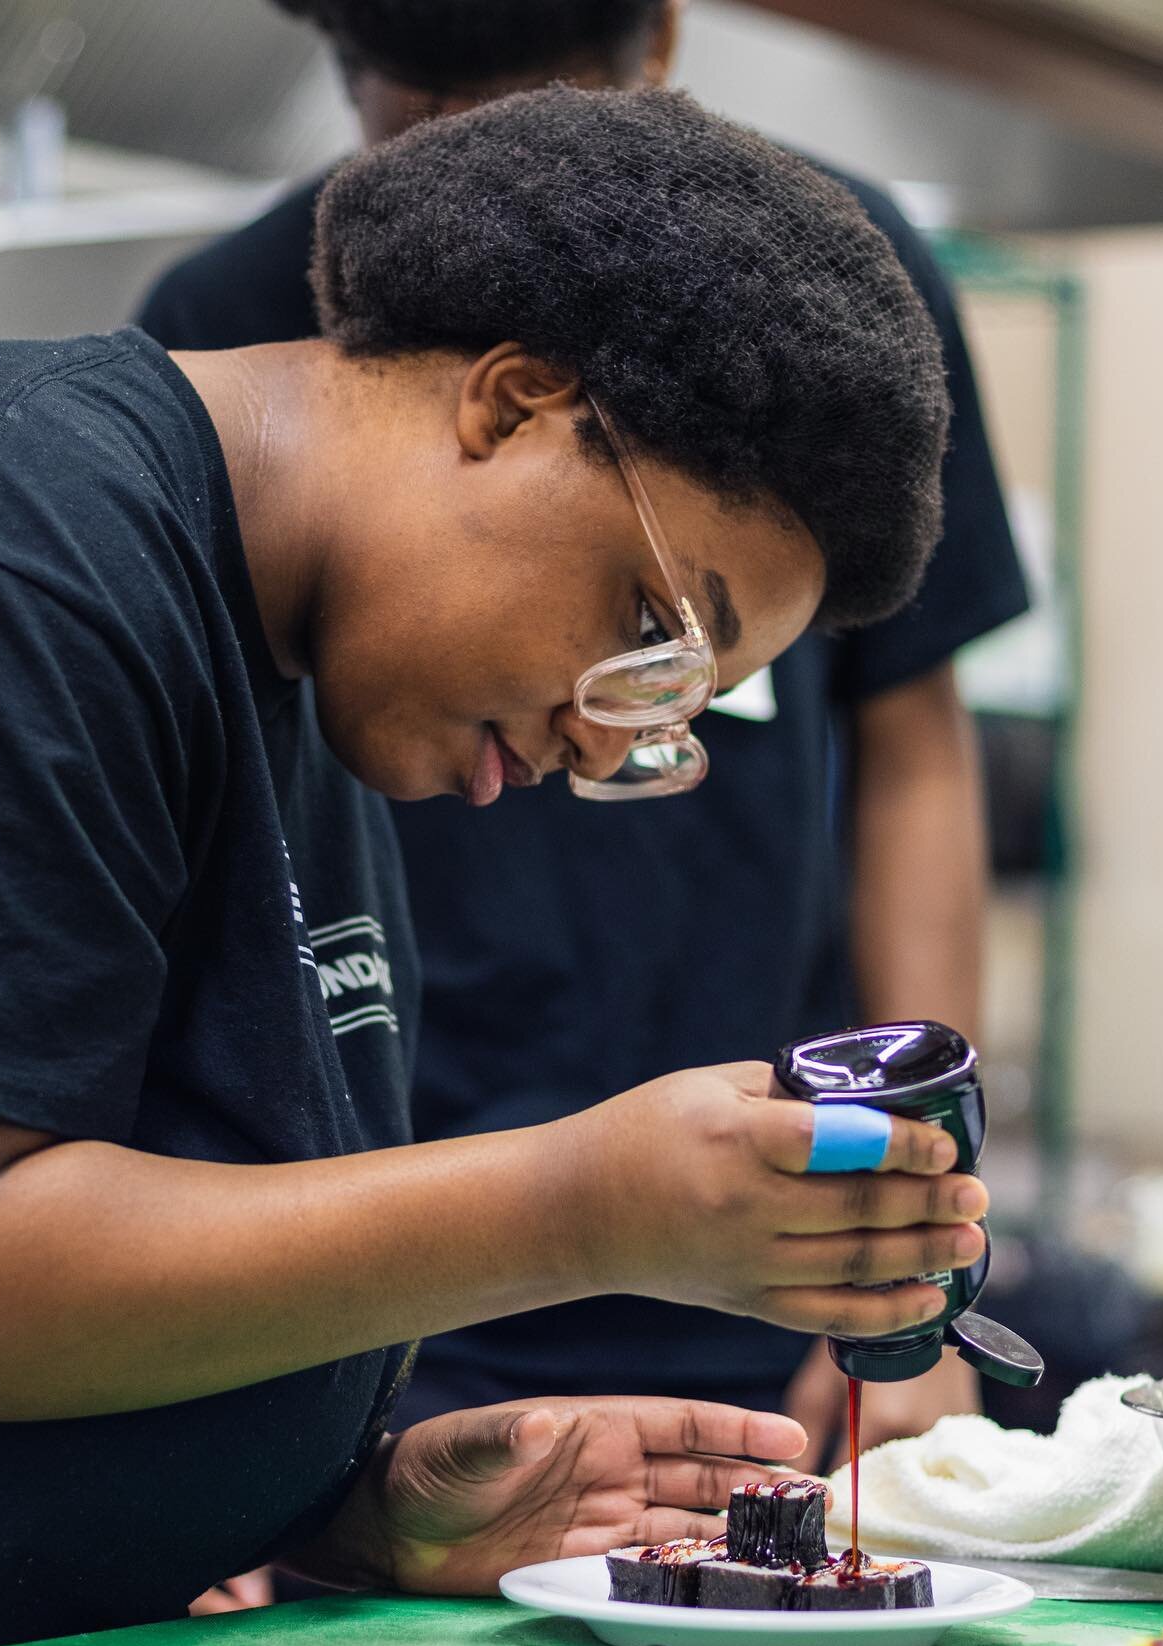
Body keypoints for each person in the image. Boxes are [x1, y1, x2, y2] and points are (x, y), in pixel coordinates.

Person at [0, 87, 976, 1646]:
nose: (605, 741)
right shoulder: (7, 554)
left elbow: (110, 1274)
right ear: (509, 404)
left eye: (680, 702)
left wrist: (335, 1509)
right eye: (652, 627)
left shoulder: (312, 689)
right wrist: (577, 1205)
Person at [138, 0, 1030, 1465]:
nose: (490, 185)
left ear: (661, 49)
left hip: (752, 1221)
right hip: (367, 1262)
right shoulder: (225, 326)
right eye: (418, 116)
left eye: (667, 633)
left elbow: (912, 754)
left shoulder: (822, 296)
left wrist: (903, 1260)